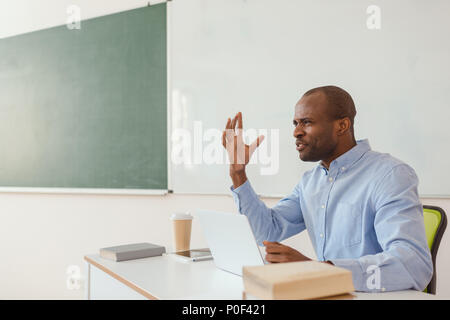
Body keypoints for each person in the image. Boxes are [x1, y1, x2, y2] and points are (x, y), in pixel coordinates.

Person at [221, 85, 433, 292]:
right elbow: (266, 231)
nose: (296, 132)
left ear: (342, 126)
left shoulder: (390, 175)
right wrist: (238, 173)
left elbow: (413, 266)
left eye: (306, 122)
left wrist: (319, 271)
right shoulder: (310, 181)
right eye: (295, 123)